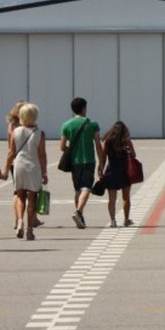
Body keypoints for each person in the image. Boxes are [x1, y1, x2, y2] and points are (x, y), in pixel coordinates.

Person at [59, 97, 104, 230]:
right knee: (87, 188)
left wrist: (72, 150)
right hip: (88, 161)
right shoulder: (92, 124)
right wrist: (102, 162)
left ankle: (80, 215)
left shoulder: (66, 125)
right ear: (84, 108)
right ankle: (78, 212)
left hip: (74, 162)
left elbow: (62, 147)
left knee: (78, 189)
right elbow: (98, 144)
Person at [9, 102, 47, 241]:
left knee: (20, 196)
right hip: (33, 167)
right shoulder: (39, 133)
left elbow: (12, 151)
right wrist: (44, 173)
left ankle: (19, 221)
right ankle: (29, 230)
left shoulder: (15, 131)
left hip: (19, 165)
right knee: (32, 199)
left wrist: (6, 169)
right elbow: (42, 154)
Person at [98, 121, 135, 227]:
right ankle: (126, 219)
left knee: (112, 199)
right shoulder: (126, 142)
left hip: (111, 171)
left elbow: (103, 157)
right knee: (126, 197)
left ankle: (113, 220)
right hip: (124, 171)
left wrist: (100, 169)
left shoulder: (108, 141)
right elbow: (133, 155)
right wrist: (128, 147)